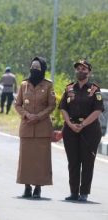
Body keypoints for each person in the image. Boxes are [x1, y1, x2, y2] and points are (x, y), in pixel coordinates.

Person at [59, 59, 103, 202]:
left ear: (89, 72)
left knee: (87, 161)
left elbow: (98, 110)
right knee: (73, 161)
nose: (80, 71)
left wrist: (83, 124)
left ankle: (84, 192)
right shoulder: (69, 88)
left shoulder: (95, 89)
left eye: (84, 69)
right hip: (71, 129)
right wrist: (70, 124)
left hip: (89, 130)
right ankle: (73, 192)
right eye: (78, 68)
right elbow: (63, 108)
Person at [14, 57, 56, 198]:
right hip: (26, 127)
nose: (34, 70)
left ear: (43, 69)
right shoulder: (24, 84)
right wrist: (26, 115)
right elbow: (17, 104)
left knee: (41, 160)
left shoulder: (48, 85)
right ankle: (26, 187)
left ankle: (38, 187)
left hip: (42, 128)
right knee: (26, 160)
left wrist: (38, 116)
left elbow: (52, 105)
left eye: (37, 68)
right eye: (32, 67)